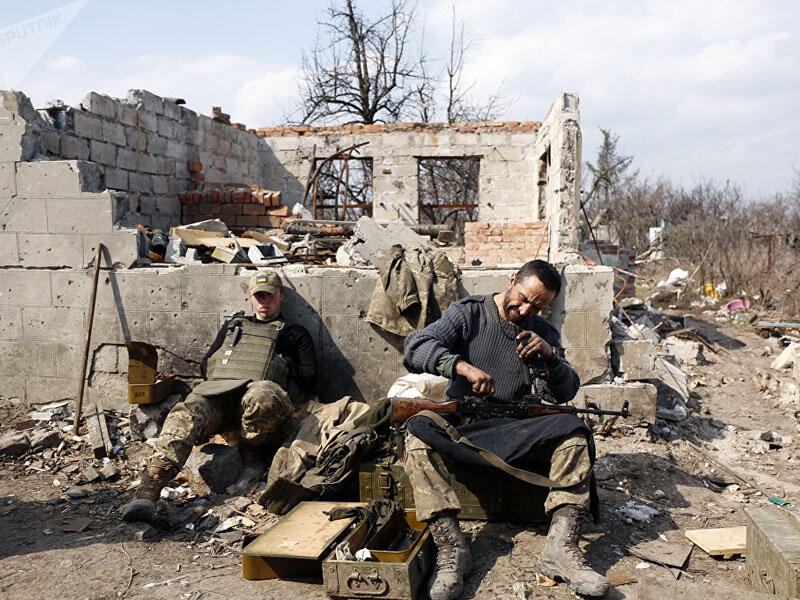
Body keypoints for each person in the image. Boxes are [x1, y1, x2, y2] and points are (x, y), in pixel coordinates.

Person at [402, 259, 609, 600]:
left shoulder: (543, 332)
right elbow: (416, 347)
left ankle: (560, 548)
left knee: (573, 432)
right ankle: (453, 550)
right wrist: (462, 367)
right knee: (418, 433)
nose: (526, 309)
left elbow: (568, 389)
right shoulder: (468, 313)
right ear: (512, 279)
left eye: (537, 306)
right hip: (469, 425)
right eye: (524, 298)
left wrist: (552, 358)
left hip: (517, 429)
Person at [122, 270, 318, 523]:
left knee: (261, 396)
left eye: (269, 295)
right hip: (224, 399)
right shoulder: (233, 326)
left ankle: (252, 457)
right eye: (258, 295)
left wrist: (283, 363)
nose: (263, 301)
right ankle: (148, 491)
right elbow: (207, 365)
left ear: (281, 296)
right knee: (187, 411)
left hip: (268, 409)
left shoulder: (293, 333)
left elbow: (311, 377)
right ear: (250, 298)